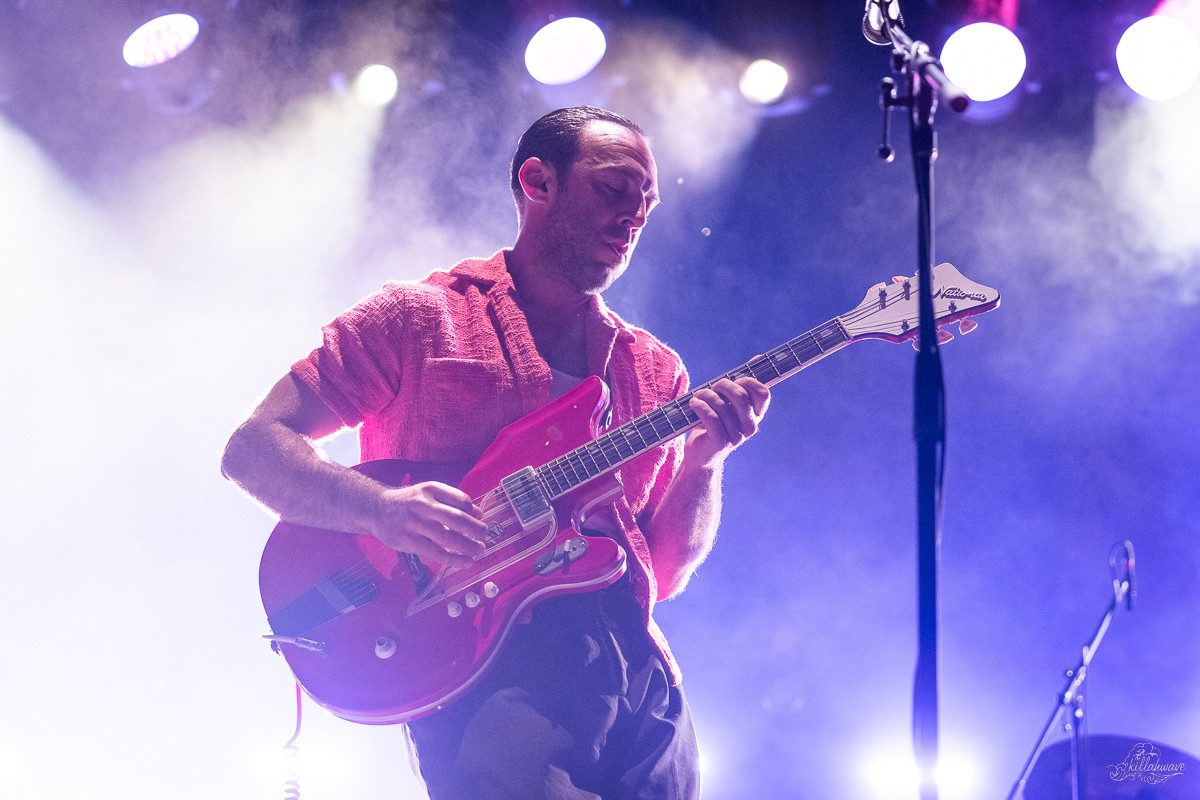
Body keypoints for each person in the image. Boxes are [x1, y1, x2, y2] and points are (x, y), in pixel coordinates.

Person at [222, 106, 771, 799]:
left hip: (639, 676)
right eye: (614, 189)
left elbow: (662, 573)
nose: (633, 215)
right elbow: (253, 448)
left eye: (647, 203)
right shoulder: (419, 317)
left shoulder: (654, 371)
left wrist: (705, 462)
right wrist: (382, 511)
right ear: (538, 182)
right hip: (479, 664)